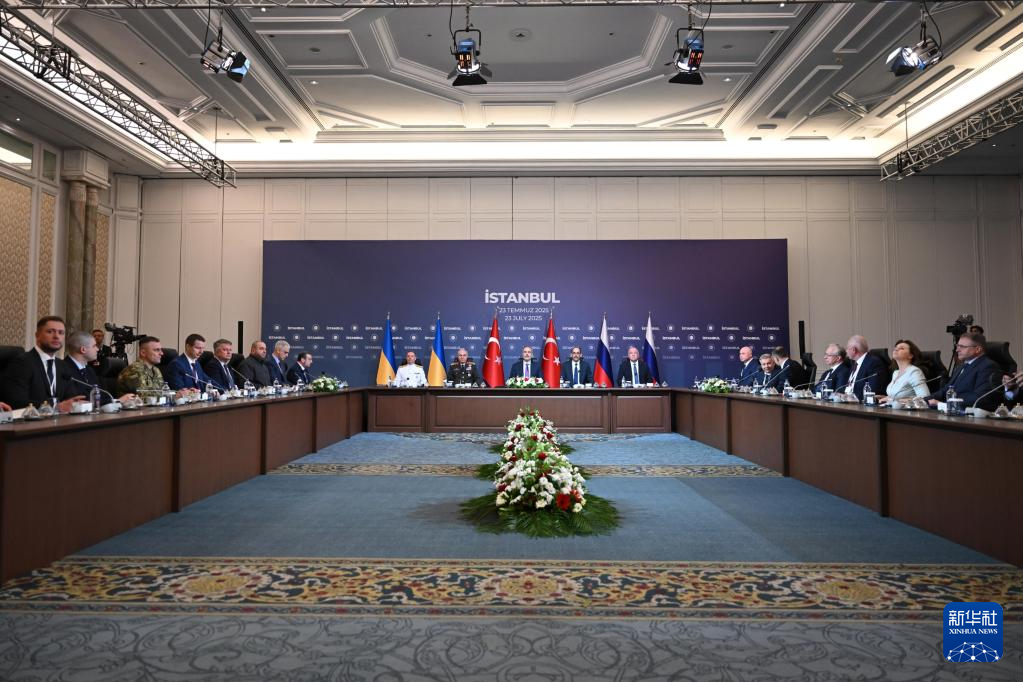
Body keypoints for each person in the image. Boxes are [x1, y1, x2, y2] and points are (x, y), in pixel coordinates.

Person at [1, 316, 83, 411]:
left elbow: (70, 398)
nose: (56, 336)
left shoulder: (63, 365)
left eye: (61, 333)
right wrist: (55, 407)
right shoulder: (22, 362)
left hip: (61, 419)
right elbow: (16, 401)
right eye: (50, 332)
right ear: (37, 335)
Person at [928, 332, 1003, 411]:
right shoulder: (963, 365)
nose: (957, 350)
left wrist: (943, 405)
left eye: (962, 347)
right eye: (957, 346)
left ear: (977, 349)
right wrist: (923, 401)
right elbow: (945, 391)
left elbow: (979, 398)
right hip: (954, 412)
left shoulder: (988, 366)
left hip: (973, 415)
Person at [63, 330, 135, 404]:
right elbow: (80, 400)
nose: (97, 349)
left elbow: (102, 395)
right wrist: (117, 401)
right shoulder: (63, 370)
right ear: (83, 349)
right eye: (94, 346)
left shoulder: (89, 370)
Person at [844, 335, 889, 400]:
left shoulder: (873, 363)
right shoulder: (854, 363)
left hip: (862, 403)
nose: (846, 351)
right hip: (849, 401)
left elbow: (872, 390)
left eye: (847, 348)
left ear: (854, 350)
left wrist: (852, 398)